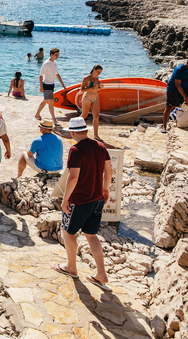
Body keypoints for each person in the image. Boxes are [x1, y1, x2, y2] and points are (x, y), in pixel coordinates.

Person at [53, 117, 112, 291]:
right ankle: (101, 274)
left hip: (80, 200)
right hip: (97, 199)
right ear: (85, 130)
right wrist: (106, 189)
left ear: (72, 133)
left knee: (68, 231)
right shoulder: (100, 146)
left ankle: (71, 267)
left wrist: (65, 199)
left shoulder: (75, 150)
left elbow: (73, 177)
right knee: (91, 235)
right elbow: (109, 171)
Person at [163, 57, 188, 131]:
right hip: (174, 90)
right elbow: (178, 85)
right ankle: (164, 126)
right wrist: (185, 97)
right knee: (169, 107)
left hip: (186, 88)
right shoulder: (179, 70)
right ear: (187, 62)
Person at [35, 48, 66, 121]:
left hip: (52, 85)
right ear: (51, 54)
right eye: (56, 55)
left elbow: (57, 74)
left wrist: (63, 84)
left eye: (58, 55)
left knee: (46, 101)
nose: (57, 57)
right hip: (46, 85)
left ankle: (37, 114)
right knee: (50, 101)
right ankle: (54, 119)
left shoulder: (54, 63)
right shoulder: (46, 63)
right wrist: (41, 87)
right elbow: (40, 75)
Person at [80, 65, 103, 138]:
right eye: (98, 71)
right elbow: (82, 90)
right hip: (87, 98)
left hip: (95, 97)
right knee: (84, 115)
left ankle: (95, 135)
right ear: (93, 69)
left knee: (96, 116)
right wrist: (92, 87)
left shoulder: (97, 78)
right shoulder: (86, 78)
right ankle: (73, 125)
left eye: (100, 72)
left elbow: (96, 88)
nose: (99, 73)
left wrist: (100, 87)